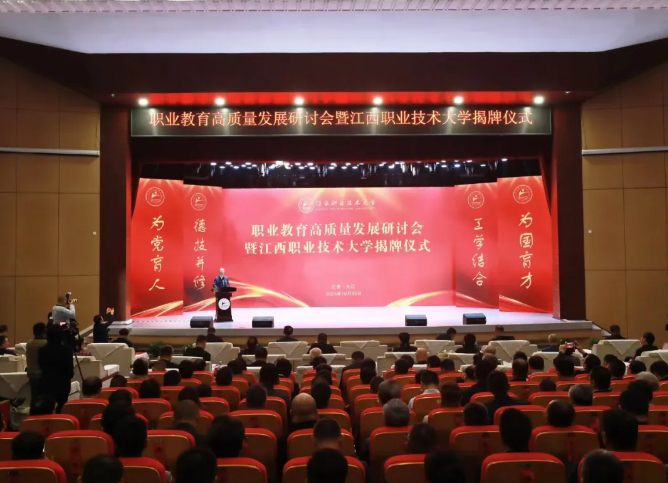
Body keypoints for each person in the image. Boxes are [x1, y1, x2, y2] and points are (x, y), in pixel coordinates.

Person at [38, 324, 74, 413]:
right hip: (63, 383)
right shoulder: (67, 350)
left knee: (47, 408)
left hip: (47, 382)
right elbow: (70, 370)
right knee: (62, 407)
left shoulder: (42, 350)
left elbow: (41, 366)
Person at [26, 322, 48, 410]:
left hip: (32, 374)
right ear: (44, 331)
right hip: (43, 375)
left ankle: (33, 415)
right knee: (44, 400)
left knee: (34, 399)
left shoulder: (29, 343)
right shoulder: (46, 343)